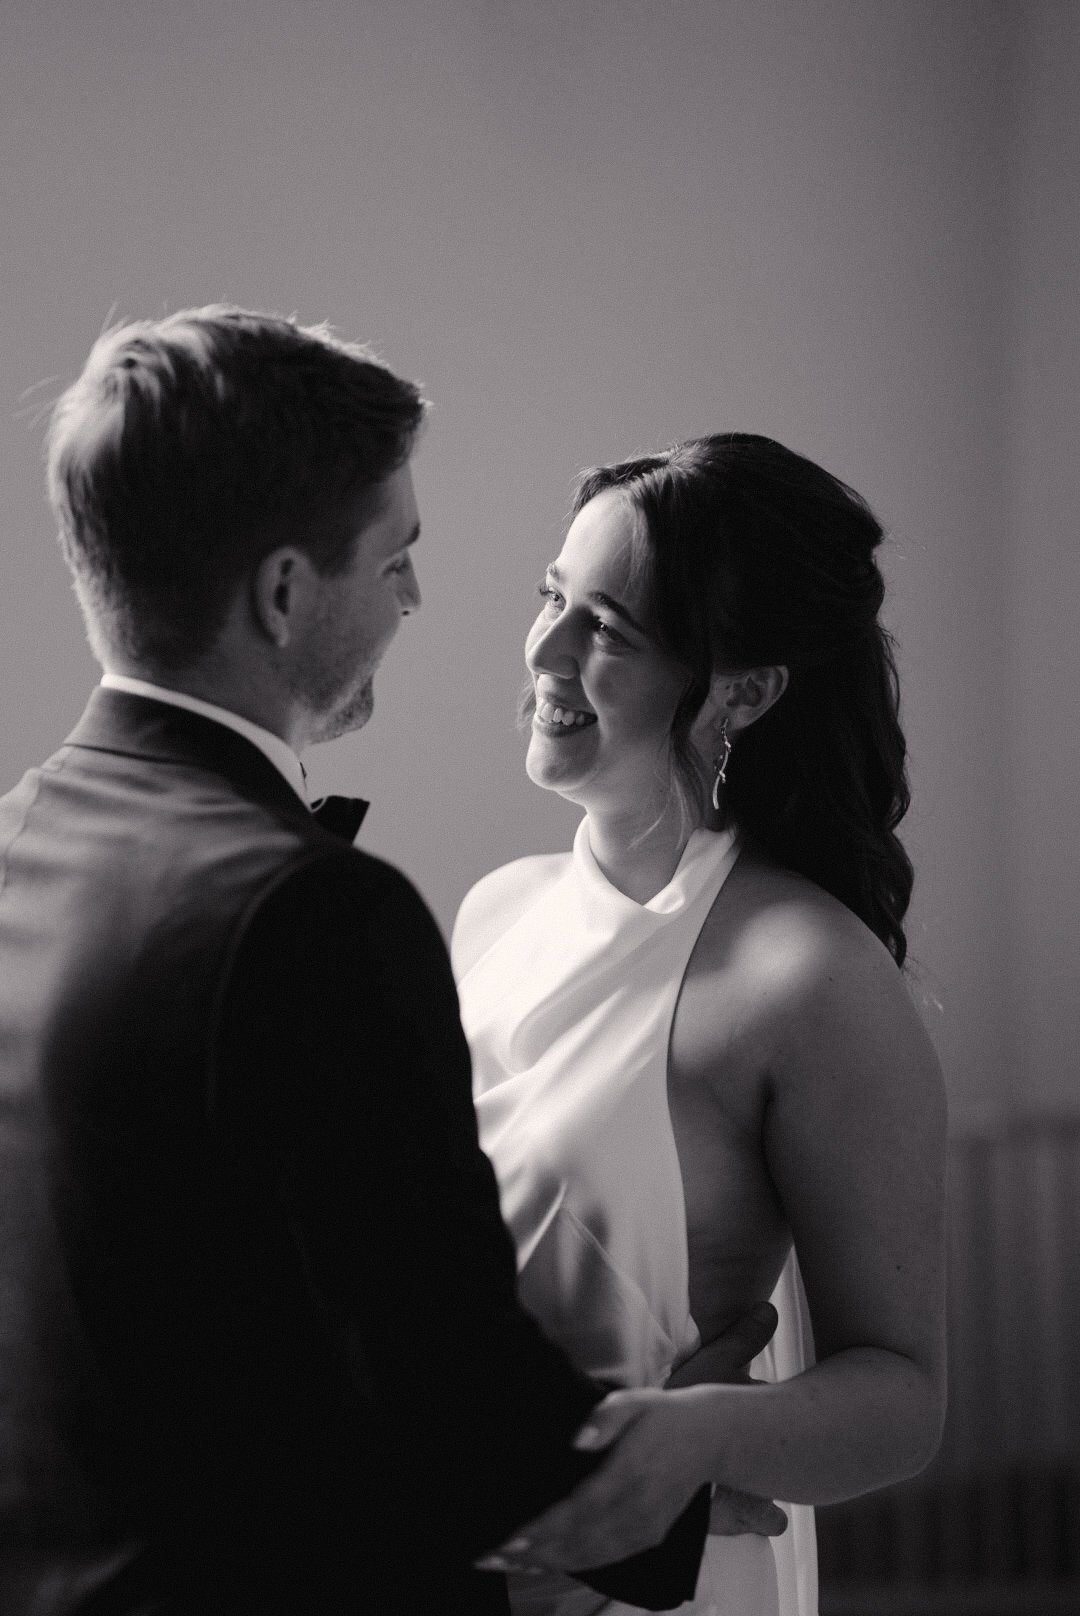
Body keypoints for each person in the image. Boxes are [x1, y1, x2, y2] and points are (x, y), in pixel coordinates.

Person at [0, 310, 780, 1616]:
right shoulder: (309, 913)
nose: (417, 599)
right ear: (287, 591)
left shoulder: (18, 840)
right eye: (397, 556)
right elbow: (441, 1375)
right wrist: (662, 1488)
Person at [452, 435, 949, 1615]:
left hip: (665, 1582)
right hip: (471, 1558)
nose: (546, 651)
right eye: (551, 597)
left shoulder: (807, 976)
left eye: (608, 628)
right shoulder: (491, 912)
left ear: (747, 684)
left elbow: (903, 1394)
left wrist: (701, 1435)